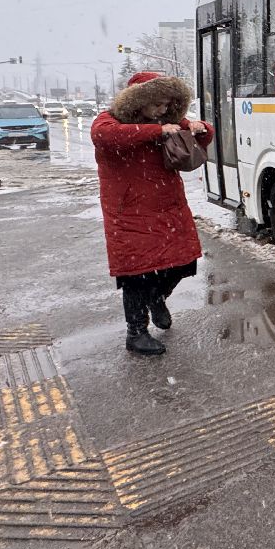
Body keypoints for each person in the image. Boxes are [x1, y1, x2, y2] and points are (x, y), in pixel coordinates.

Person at [91, 70, 214, 356]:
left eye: (167, 104)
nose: (163, 110)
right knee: (138, 274)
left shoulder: (167, 120)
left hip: (167, 206)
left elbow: (200, 138)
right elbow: (105, 136)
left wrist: (200, 128)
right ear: (139, 100)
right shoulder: (110, 120)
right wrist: (156, 131)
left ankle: (157, 298)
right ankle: (136, 332)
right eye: (157, 104)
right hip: (130, 211)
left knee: (182, 263)